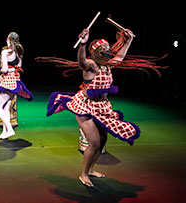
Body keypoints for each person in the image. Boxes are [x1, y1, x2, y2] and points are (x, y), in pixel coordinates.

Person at [40, 28, 148, 187]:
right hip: (85, 107)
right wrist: (82, 44)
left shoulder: (108, 65)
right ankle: (83, 174)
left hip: (101, 107)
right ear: (96, 52)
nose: (107, 51)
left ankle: (90, 170)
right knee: (95, 143)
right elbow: (81, 62)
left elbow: (120, 57)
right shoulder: (91, 66)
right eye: (103, 49)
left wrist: (129, 40)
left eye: (107, 49)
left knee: (103, 139)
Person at [0, 32, 33, 140]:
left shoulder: (5, 51)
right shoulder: (19, 51)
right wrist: (10, 66)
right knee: (6, 107)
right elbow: (18, 66)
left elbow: (4, 69)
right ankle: (4, 132)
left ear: (8, 39)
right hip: (15, 80)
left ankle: (9, 129)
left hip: (7, 81)